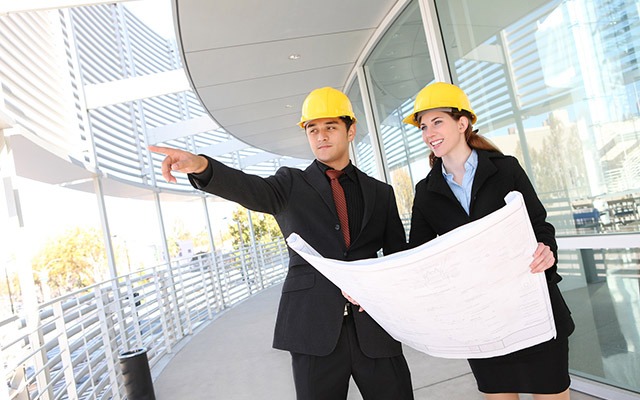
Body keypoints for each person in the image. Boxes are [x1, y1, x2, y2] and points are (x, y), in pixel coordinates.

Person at [149, 87, 414, 400]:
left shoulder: (380, 193)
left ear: (350, 130)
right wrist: (202, 167)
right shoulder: (290, 185)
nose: (321, 136)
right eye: (313, 130)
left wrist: (375, 286)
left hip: (374, 328)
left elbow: (398, 258)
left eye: (330, 127)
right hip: (312, 330)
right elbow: (249, 188)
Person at [404, 82, 574, 400]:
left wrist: (546, 251)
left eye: (436, 122)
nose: (429, 133)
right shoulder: (426, 192)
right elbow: (420, 255)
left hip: (532, 308)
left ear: (462, 122)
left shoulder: (505, 169)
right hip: (481, 320)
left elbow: (540, 226)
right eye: (423, 127)